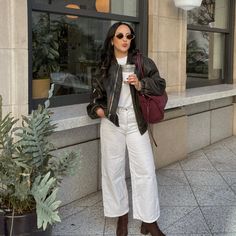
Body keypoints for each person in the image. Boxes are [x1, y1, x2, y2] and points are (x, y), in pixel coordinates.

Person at [87, 22, 166, 236]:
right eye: (120, 35)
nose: (125, 39)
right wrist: (98, 110)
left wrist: (141, 84)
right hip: (112, 120)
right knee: (112, 171)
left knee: (146, 171)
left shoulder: (141, 61)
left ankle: (149, 220)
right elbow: (94, 97)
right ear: (112, 38)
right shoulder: (103, 65)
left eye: (128, 36)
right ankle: (121, 216)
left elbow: (160, 84)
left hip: (136, 120)